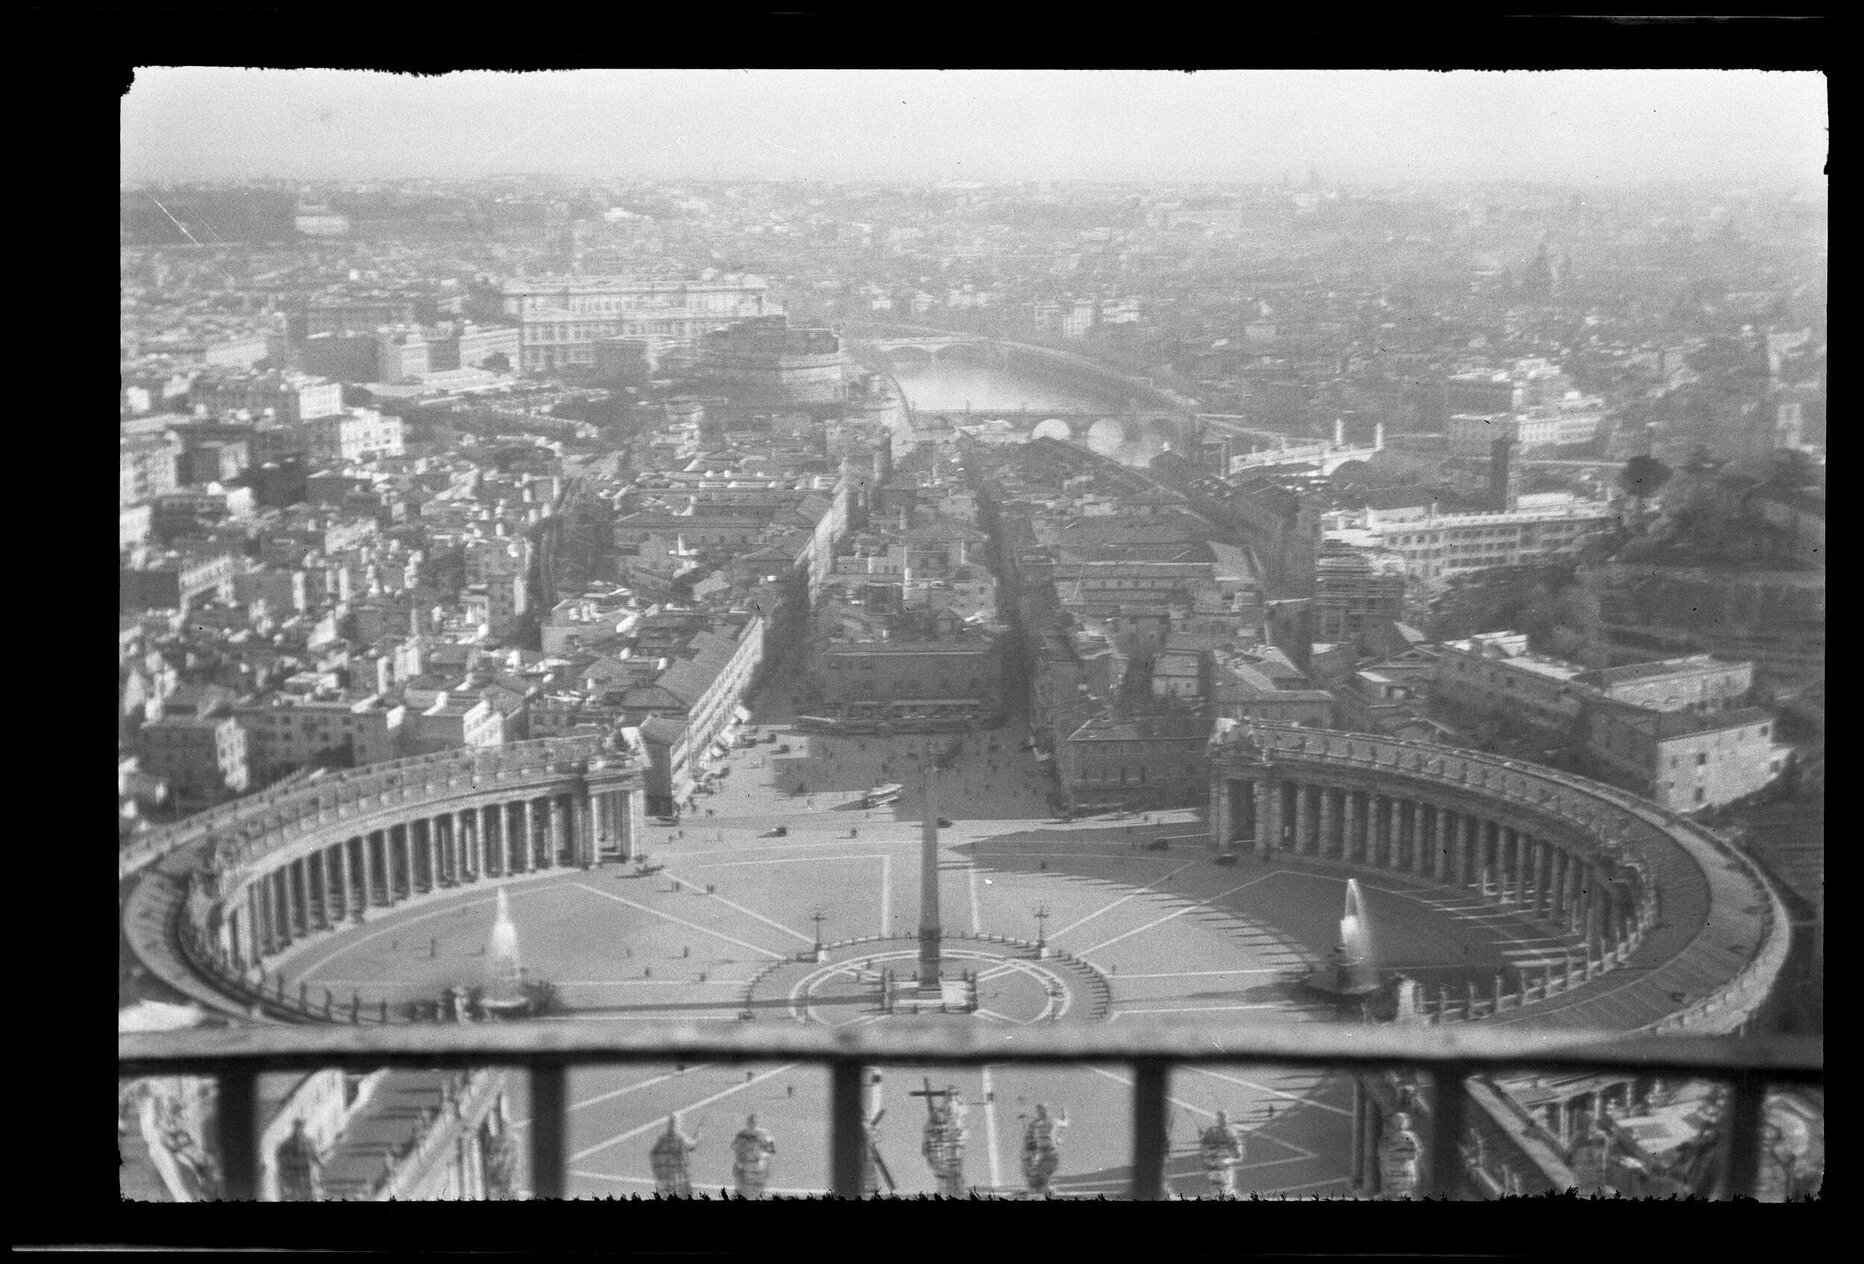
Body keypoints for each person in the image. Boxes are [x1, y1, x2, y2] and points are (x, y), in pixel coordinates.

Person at [1021, 1103, 1068, 1196]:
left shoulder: (1041, 1123)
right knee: (1040, 1175)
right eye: (1038, 1111)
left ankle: (1042, 1189)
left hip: (1046, 1153)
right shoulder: (1039, 1123)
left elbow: (1064, 1123)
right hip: (1043, 1154)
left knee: (1042, 1174)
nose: (1039, 1113)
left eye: (1040, 1111)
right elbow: (1065, 1122)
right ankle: (1041, 1189)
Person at [649, 1113, 700, 1198]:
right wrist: (698, 1137)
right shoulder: (680, 1137)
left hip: (666, 1175)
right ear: (678, 1124)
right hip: (679, 1175)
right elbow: (691, 1146)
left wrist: (657, 1169)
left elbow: (654, 1153)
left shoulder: (663, 1137)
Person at [1199, 1111, 1246, 1196]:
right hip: (1215, 1169)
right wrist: (1210, 1158)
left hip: (1224, 1169)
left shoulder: (1231, 1133)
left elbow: (1238, 1155)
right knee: (1219, 1191)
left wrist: (1227, 1159)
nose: (1222, 1121)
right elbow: (1204, 1149)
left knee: (1224, 1191)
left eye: (1223, 1119)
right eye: (1221, 1119)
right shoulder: (1211, 1132)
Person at [732, 1114, 777, 1199]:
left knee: (746, 1188)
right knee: (755, 1189)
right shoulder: (763, 1133)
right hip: (755, 1165)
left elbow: (734, 1146)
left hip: (748, 1165)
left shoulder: (742, 1133)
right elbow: (771, 1149)